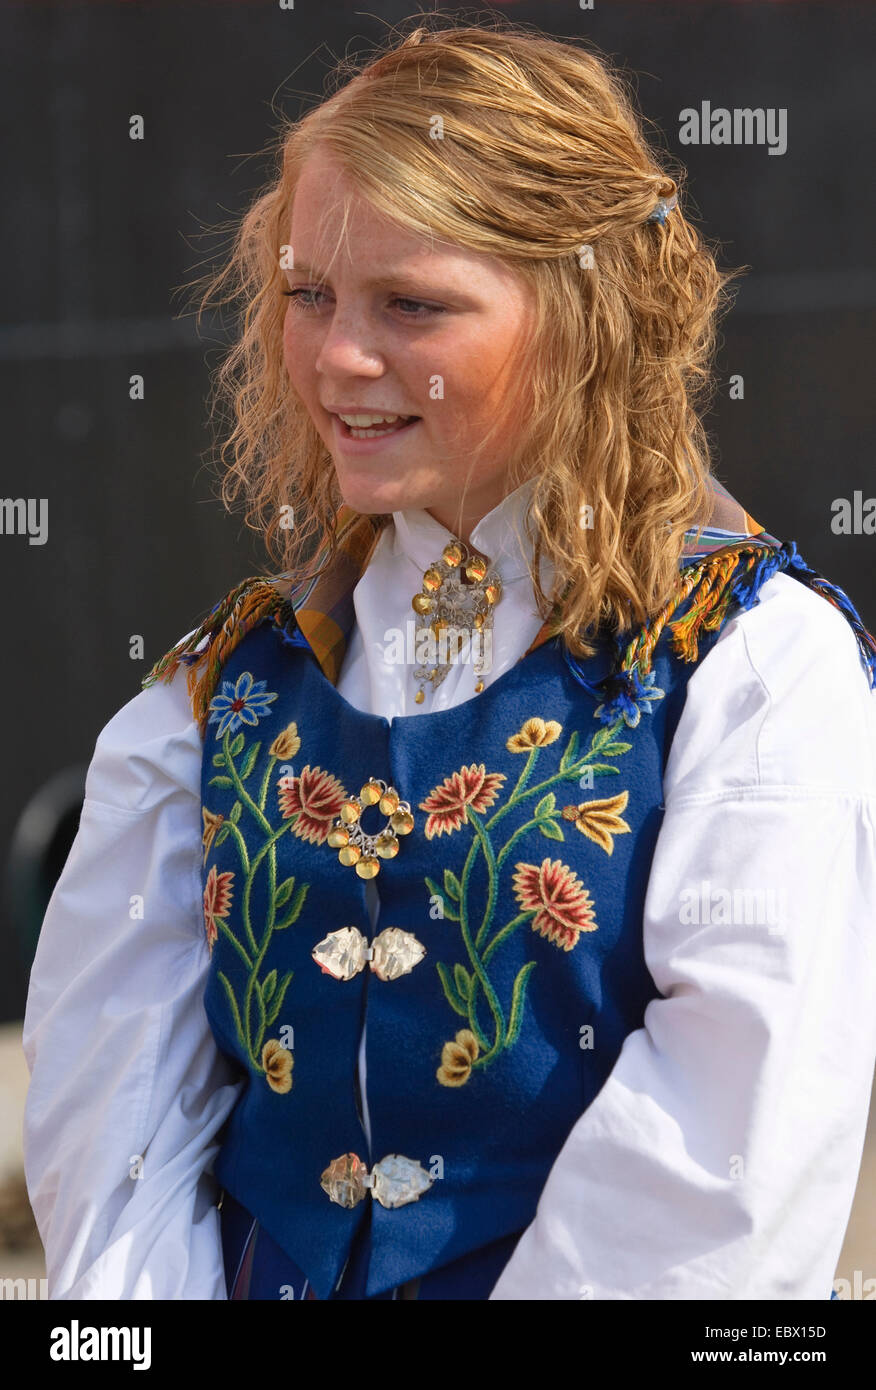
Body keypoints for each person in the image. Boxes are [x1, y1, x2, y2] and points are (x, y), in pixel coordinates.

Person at [22, 18, 876, 1301]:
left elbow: (724, 1174)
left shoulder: (752, 669)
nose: (337, 358)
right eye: (309, 294)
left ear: (585, 315)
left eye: (411, 304)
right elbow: (113, 1139)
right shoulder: (212, 699)